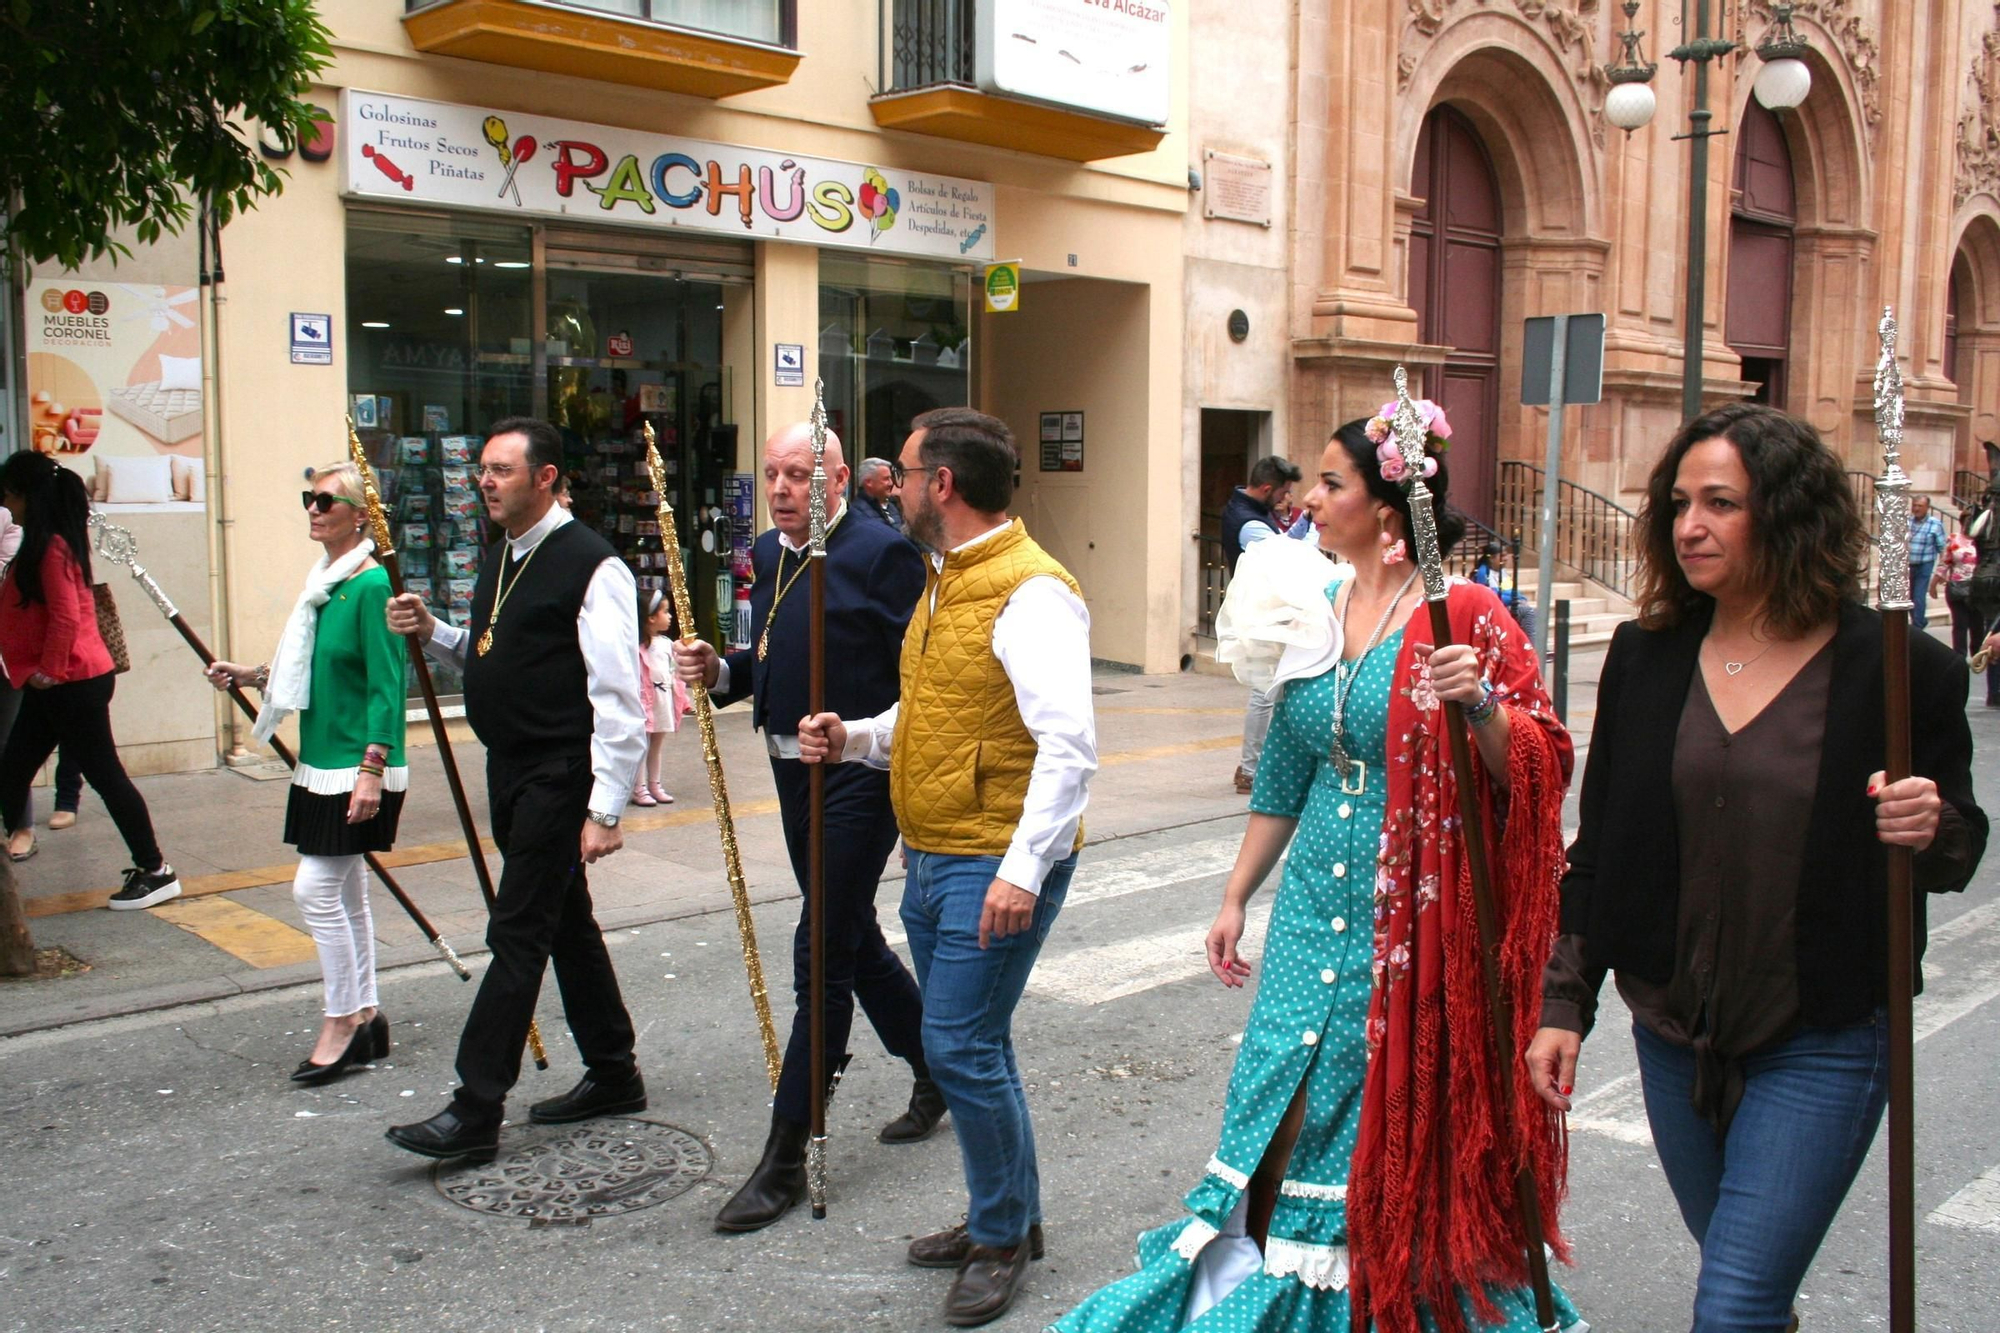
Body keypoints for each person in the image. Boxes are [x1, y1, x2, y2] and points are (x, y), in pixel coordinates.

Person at [1050, 411, 1581, 1333]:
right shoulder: (1315, 603)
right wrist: (1233, 896)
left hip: (1413, 915)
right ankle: (1275, 1288)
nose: (1308, 500)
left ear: (1387, 510)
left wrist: (1481, 703)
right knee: (1277, 1102)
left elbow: (1542, 761)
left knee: (1362, 1117)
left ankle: (1381, 1299)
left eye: (1332, 484)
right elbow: (1288, 772)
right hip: (1310, 907)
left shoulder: (1467, 613)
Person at [1526, 403, 1987, 1333]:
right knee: (1749, 1290)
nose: (1688, 525)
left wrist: (1927, 823)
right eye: (1679, 503)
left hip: (1820, 1035)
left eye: (1721, 503)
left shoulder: (1899, 671)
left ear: (1785, 513)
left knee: (1732, 1303)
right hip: (1670, 1032)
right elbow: (1603, 843)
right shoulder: (1647, 658)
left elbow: (1957, 847)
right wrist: (1563, 1002)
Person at [799, 407, 1096, 1328]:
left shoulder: (1029, 592)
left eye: (908, 468)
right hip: (933, 851)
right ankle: (1008, 1216)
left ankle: (1001, 1235)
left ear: (943, 487)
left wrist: (1019, 870)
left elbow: (1070, 749)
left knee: (959, 1046)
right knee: (977, 1044)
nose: (894, 482)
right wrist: (855, 737)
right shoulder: (945, 581)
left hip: (988, 861)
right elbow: (933, 718)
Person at [675, 421, 934, 1234]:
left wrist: (864, 734)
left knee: (817, 948)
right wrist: (722, 671)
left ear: (840, 478)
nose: (784, 489)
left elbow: (919, 674)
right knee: (849, 933)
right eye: (775, 474)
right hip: (791, 768)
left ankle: (787, 1152)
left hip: (859, 772)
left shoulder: (879, 552)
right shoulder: (772, 549)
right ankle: (937, 1067)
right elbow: (776, 654)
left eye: (802, 474)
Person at [384, 416, 649, 1163]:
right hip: (511, 769)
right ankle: (614, 1069)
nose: (485, 482)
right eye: (483, 469)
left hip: (558, 777)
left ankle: (476, 1106)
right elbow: (495, 651)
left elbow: (619, 696)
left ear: (546, 477)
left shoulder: (595, 566)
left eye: (501, 470)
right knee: (565, 925)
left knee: (519, 931)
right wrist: (434, 630)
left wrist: (605, 806)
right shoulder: (503, 554)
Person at [205, 462, 406, 1084]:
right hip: (323, 761)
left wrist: (373, 769)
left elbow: (387, 685)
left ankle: (342, 1018)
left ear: (361, 515)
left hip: (358, 764)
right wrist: (253, 675)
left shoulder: (372, 585)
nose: (314, 509)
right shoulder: (325, 580)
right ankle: (367, 1012)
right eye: (309, 499)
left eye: (327, 500)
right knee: (346, 891)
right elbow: (319, 665)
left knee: (314, 890)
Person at [0, 453, 179, 907]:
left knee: (105, 775)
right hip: (60, 683)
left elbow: (64, 616)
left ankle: (156, 870)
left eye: (9, 493)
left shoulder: (53, 547)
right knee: (12, 770)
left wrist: (48, 670)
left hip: (71, 683)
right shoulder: (49, 542)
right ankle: (153, 867)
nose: (6, 502)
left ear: (26, 496)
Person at [1224, 455, 1304, 796]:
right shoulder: (1249, 523)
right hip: (1261, 613)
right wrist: (1312, 529)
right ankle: (1250, 768)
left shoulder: (1253, 512)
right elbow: (1285, 559)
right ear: (1268, 488)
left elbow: (1285, 545)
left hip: (1267, 611)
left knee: (1271, 689)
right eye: (1284, 492)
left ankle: (1256, 765)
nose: (1287, 499)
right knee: (1264, 691)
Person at [634, 587, 685, 807]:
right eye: (666, 612)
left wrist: (682, 700)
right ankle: (639, 787)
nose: (670, 616)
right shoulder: (635, 647)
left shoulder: (666, 645)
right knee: (640, 745)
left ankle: (655, 783)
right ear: (651, 617)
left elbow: (675, 674)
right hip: (643, 705)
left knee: (656, 745)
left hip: (662, 703)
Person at [1935, 525, 1980, 657]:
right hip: (1957, 587)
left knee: (1977, 624)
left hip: (1978, 588)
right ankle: (1959, 655)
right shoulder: (1954, 539)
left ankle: (1977, 654)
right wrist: (1935, 582)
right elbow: (1945, 561)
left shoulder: (1983, 541)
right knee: (1960, 623)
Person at [1907, 493, 1946, 630]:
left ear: (1927, 507)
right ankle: (1918, 621)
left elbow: (1942, 548)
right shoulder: (1907, 522)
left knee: (1918, 595)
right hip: (1908, 564)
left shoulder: (1935, 524)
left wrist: (1942, 569)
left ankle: (1917, 626)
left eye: (1920, 506)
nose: (1916, 509)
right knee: (1909, 596)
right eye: (1915, 505)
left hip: (1924, 563)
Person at [856, 456, 907, 532]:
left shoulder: (893, 506)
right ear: (868, 482)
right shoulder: (858, 512)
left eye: (891, 478)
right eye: (886, 479)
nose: (891, 483)